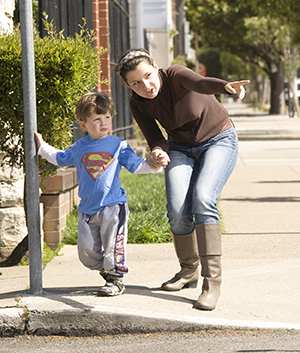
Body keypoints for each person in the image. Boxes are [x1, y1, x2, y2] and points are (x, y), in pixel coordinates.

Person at [115, 48, 249, 310]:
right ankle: (188, 271)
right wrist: (156, 151)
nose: (146, 86)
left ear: (156, 66)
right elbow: (155, 137)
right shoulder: (137, 102)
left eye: (148, 76)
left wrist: (226, 86)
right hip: (180, 147)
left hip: (219, 138)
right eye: (136, 83)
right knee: (177, 210)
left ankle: (212, 283)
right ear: (127, 85)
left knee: (203, 199)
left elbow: (200, 83)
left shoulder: (176, 75)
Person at [35, 92, 163, 297]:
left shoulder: (118, 145)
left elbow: (137, 166)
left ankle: (116, 277)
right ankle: (107, 270)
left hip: (113, 206)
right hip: (87, 209)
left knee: (113, 244)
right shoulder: (79, 147)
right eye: (97, 119)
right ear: (83, 124)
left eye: (107, 117)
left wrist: (154, 165)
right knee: (86, 253)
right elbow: (60, 158)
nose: (104, 123)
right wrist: (42, 148)